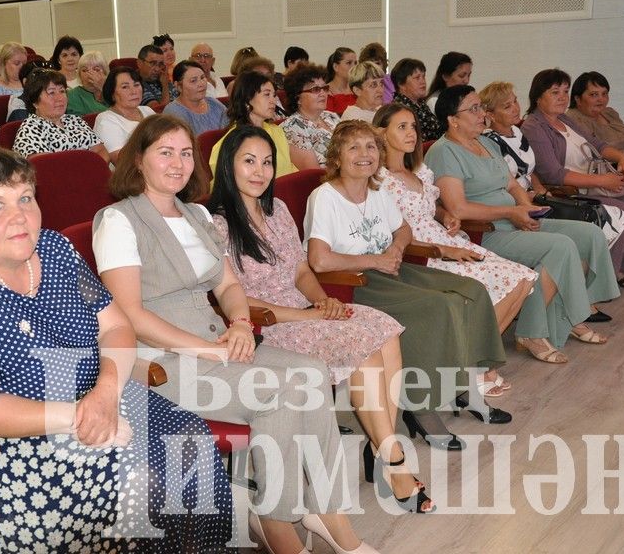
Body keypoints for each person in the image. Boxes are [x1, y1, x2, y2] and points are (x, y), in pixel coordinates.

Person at [0, 146, 233, 552]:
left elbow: (117, 326)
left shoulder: (55, 250)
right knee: (146, 480)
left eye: (25, 199)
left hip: (105, 396)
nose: (18, 216)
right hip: (32, 435)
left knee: (190, 439)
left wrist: (104, 392)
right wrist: (79, 417)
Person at [93, 114, 381, 554]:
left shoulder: (196, 215)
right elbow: (128, 314)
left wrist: (242, 323)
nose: (177, 163)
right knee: (280, 391)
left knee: (312, 373)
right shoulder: (118, 220)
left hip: (215, 343)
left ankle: (325, 510)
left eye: (185, 153)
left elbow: (228, 286)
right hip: (159, 361)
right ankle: (278, 525)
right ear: (138, 160)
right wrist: (205, 350)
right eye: (164, 152)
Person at [208, 124, 434, 514]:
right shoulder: (217, 224)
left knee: (384, 329)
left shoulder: (276, 209)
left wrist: (323, 301)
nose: (260, 171)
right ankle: (394, 462)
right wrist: (306, 314)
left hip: (304, 309)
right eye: (249, 162)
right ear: (228, 166)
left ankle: (383, 446)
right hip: (266, 322)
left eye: (266, 162)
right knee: (361, 346)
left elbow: (300, 271)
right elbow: (235, 297)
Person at [305, 119, 511, 447]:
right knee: (438, 306)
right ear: (336, 157)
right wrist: (377, 260)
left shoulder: (376, 190)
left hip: (388, 268)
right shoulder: (326, 197)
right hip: (352, 281)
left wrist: (396, 249)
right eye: (353, 147)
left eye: (371, 146)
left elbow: (403, 230)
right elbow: (319, 260)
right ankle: (421, 408)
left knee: (471, 291)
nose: (364, 154)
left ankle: (463, 387)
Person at [427, 85, 620, 363]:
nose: (483, 114)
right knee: (560, 247)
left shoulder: (487, 142)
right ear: (452, 119)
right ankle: (533, 331)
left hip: (513, 218)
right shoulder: (444, 152)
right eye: (474, 109)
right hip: (483, 233)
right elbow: (458, 208)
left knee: (588, 234)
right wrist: (511, 212)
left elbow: (512, 183)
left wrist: (527, 208)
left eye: (481, 106)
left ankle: (570, 315)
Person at [373, 103, 535, 394]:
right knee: (503, 281)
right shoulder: (379, 180)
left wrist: (443, 214)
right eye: (401, 127)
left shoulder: (418, 170)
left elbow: (427, 206)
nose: (411, 133)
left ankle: (474, 363)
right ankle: (474, 367)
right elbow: (390, 233)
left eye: (413, 126)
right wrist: (440, 250)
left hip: (443, 237)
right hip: (420, 251)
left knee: (523, 279)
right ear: (382, 134)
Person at [521, 69, 624, 290]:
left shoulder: (564, 119)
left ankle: (622, 268)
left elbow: (597, 144)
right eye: (555, 92)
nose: (562, 97)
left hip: (595, 185)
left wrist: (623, 158)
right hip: (570, 192)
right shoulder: (533, 126)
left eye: (565, 91)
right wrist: (602, 181)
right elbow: (554, 174)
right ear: (538, 96)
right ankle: (602, 282)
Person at [480, 81, 624, 254]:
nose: (515, 108)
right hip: (519, 203)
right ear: (490, 115)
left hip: (538, 195)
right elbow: (503, 182)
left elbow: (530, 170)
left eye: (515, 101)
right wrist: (529, 196)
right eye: (507, 106)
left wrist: (538, 187)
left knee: (602, 218)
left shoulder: (516, 131)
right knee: (599, 219)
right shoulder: (489, 141)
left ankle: (601, 271)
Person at [566, 71, 624, 187]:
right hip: (609, 177)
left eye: (604, 94)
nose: (601, 99)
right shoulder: (572, 119)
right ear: (577, 98)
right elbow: (595, 151)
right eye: (594, 95)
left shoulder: (610, 113)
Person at [208, 71, 297, 180]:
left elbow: (289, 170)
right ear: (247, 99)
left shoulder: (276, 131)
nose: (273, 101)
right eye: (266, 94)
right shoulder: (232, 141)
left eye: (274, 95)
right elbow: (224, 184)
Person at [11, 69, 109, 162]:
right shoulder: (30, 129)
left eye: (62, 91)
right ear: (35, 101)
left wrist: (91, 172)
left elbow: (101, 151)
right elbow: (43, 166)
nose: (60, 98)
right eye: (51, 92)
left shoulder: (75, 120)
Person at [280, 63, 338, 169]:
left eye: (325, 88)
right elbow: (312, 173)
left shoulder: (331, 116)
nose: (323, 93)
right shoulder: (292, 127)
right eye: (315, 89)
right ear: (297, 98)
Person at [94, 67, 155, 164]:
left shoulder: (148, 111)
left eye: (136, 85)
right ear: (112, 93)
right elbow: (121, 162)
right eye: (125, 87)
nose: (133, 91)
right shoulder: (106, 120)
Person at [163, 60, 228, 136]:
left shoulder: (213, 103)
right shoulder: (173, 112)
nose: (201, 84)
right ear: (178, 86)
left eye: (202, 78)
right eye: (193, 81)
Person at [391, 58, 441, 141]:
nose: (423, 82)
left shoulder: (422, 104)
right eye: (417, 78)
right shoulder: (398, 108)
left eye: (423, 76)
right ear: (401, 84)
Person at [65, 51, 109, 116]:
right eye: (85, 70)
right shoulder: (72, 95)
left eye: (96, 70)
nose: (90, 74)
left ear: (105, 73)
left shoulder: (114, 92)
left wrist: (103, 88)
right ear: (79, 74)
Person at [324, 47, 357, 115]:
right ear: (336, 67)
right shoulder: (325, 92)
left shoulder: (358, 90)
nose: (354, 67)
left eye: (355, 63)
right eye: (349, 63)